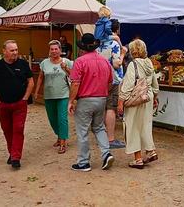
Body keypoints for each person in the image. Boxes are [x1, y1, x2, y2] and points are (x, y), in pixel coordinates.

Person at [68, 33, 115, 172]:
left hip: (85, 99)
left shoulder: (80, 61)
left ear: (82, 47)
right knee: (99, 127)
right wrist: (102, 92)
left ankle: (83, 162)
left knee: (82, 131)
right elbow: (111, 82)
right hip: (101, 98)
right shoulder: (104, 61)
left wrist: (71, 101)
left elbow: (75, 84)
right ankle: (106, 153)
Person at [0, 40, 34, 169]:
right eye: (12, 50)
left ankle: (15, 157)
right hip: (3, 104)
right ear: (4, 51)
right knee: (7, 129)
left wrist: (25, 98)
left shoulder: (23, 64)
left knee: (18, 129)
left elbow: (30, 81)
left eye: (16, 50)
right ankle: (12, 152)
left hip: (19, 104)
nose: (15, 52)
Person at [118, 38, 159, 169]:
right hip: (148, 97)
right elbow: (155, 84)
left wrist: (121, 101)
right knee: (145, 125)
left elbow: (128, 85)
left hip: (136, 99)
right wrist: (155, 97)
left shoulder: (133, 64)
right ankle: (151, 151)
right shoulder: (149, 63)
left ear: (132, 50)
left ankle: (138, 159)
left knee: (132, 127)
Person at [34, 40, 73, 154]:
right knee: (52, 119)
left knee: (62, 118)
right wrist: (36, 91)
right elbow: (41, 77)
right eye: (52, 49)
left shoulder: (67, 62)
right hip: (49, 94)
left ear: (60, 50)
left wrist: (66, 68)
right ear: (49, 51)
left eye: (56, 49)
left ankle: (63, 142)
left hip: (63, 94)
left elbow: (74, 76)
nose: (54, 51)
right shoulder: (45, 63)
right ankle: (59, 136)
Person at [98, 19, 127, 149]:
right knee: (111, 107)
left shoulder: (98, 42)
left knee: (103, 107)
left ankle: (103, 136)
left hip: (99, 78)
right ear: (117, 28)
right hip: (113, 79)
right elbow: (117, 64)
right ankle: (110, 139)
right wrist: (122, 54)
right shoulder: (113, 43)